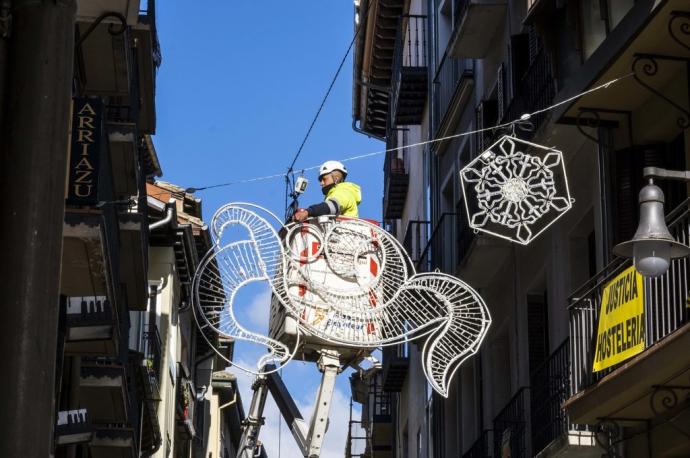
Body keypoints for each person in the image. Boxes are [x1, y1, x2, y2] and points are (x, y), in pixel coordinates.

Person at [293, 160, 361, 222]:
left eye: (324, 179)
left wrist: (307, 212)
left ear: (336, 179)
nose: (321, 183)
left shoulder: (344, 192)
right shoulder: (335, 193)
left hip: (345, 233)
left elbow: (331, 206)